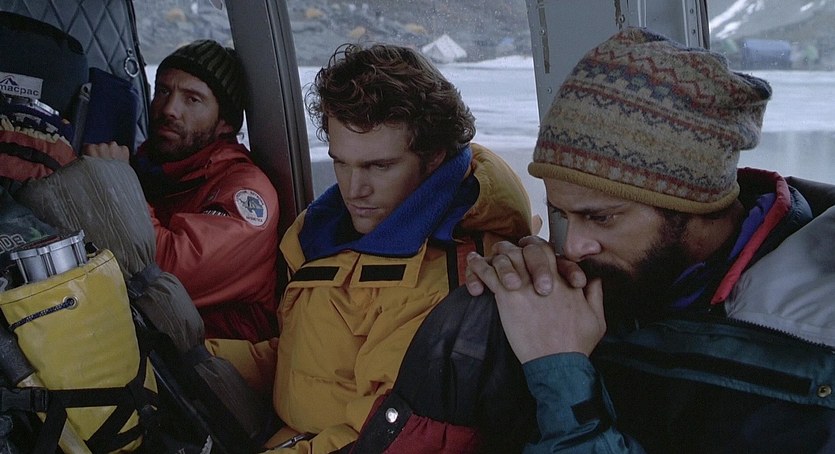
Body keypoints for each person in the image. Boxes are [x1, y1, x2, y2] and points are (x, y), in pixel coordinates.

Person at [465, 27, 835, 453]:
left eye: (600, 218)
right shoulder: (627, 278)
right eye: (563, 215)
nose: (573, 246)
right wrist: (519, 297)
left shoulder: (815, 339)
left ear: (692, 203)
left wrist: (561, 374)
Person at [207, 43, 533, 453]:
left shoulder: (445, 284)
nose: (353, 189)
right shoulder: (329, 229)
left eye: (379, 166)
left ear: (434, 156)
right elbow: (311, 363)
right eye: (340, 162)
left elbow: (375, 438)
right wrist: (199, 364)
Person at [83, 39, 279, 343]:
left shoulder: (245, 192)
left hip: (211, 358)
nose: (169, 109)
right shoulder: (155, 168)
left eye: (192, 99)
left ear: (225, 123)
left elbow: (163, 273)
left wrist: (116, 183)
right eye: (163, 91)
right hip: (151, 340)